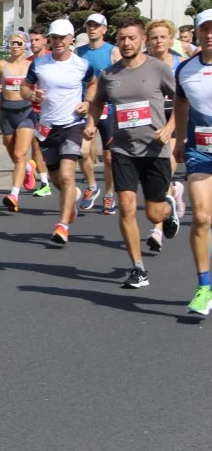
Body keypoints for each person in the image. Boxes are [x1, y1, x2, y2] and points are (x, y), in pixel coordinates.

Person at [85, 18, 180, 288]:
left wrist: (170, 128)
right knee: (126, 207)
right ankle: (138, 269)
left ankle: (168, 206)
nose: (127, 43)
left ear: (142, 41)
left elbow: (181, 102)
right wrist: (92, 124)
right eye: (122, 38)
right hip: (123, 149)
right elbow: (97, 101)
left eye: (132, 38)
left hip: (154, 149)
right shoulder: (109, 74)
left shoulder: (159, 69)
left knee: (153, 214)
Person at [21, 18, 96, 245]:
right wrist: (30, 95)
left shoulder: (81, 64)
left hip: (72, 124)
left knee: (66, 175)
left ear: (71, 38)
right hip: (47, 127)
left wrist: (87, 102)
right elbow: (25, 87)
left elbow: (93, 84)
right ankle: (71, 197)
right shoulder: (39, 64)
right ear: (49, 40)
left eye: (63, 37)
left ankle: (62, 226)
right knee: (56, 179)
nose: (58, 42)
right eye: (54, 37)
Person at [173, 9, 212, 315]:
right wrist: (178, 140)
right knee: (201, 217)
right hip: (200, 151)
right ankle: (204, 287)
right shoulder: (185, 70)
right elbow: (181, 103)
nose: (210, 35)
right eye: (205, 30)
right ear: (197, 33)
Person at [143, 19, 188, 251]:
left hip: (174, 125)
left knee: (162, 175)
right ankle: (176, 191)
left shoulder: (180, 65)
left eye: (163, 37)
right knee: (157, 178)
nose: (159, 41)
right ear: (148, 41)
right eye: (154, 37)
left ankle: (157, 230)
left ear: (171, 39)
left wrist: (174, 128)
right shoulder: (143, 65)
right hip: (148, 128)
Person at [0, 31, 36, 211]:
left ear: (25, 46)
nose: (15, 46)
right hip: (6, 112)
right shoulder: (1, 65)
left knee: (20, 154)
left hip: (26, 112)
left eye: (19, 43)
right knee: (12, 151)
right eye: (12, 43)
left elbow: (42, 85)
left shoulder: (32, 65)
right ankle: (28, 168)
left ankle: (14, 194)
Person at [75, 13, 121, 215]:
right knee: (82, 152)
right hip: (87, 107)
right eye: (89, 25)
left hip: (110, 108)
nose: (92, 29)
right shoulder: (79, 52)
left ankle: (110, 193)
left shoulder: (114, 52)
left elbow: (123, 79)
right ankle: (92, 186)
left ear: (105, 29)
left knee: (110, 158)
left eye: (96, 25)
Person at [27, 25, 53, 197]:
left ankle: (34, 167)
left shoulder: (53, 58)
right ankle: (44, 182)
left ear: (45, 40)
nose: (33, 43)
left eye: (37, 39)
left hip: (51, 111)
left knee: (48, 147)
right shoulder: (28, 61)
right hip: (31, 110)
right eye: (31, 40)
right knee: (35, 145)